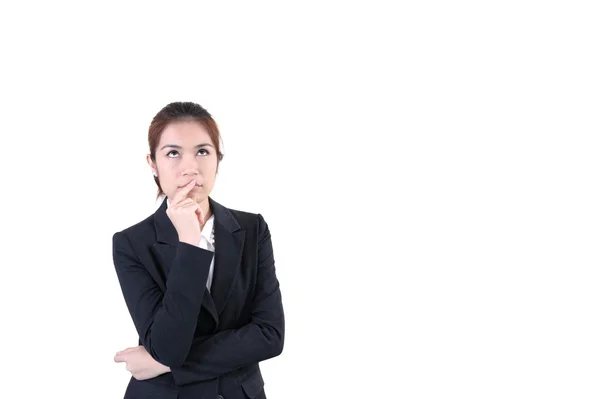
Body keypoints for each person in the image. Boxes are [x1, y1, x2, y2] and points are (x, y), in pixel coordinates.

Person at [112, 101, 284, 399]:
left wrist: (164, 364)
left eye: (202, 151)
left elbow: (270, 336)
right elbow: (168, 347)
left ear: (218, 159)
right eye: (173, 153)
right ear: (153, 163)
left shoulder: (253, 229)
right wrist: (189, 243)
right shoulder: (131, 243)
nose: (190, 167)